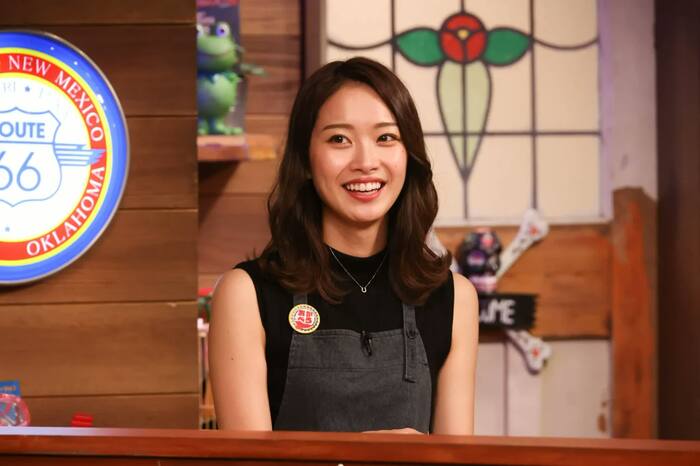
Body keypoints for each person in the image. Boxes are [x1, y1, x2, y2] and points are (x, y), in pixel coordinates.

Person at [209, 57, 479, 434]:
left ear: (409, 154)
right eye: (339, 139)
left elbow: (456, 459)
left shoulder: (454, 298)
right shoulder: (246, 295)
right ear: (305, 159)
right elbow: (249, 461)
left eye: (386, 138)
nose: (366, 162)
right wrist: (369, 456)